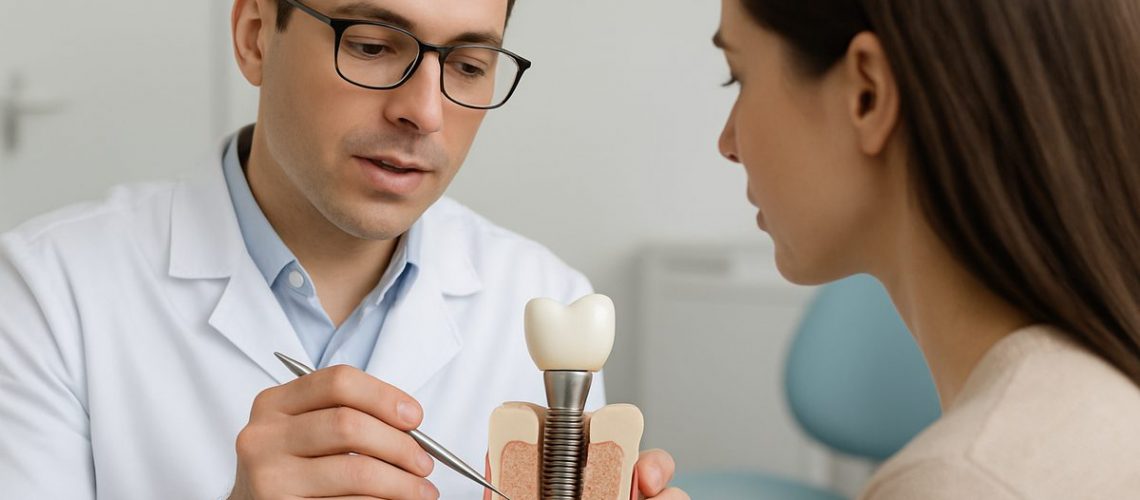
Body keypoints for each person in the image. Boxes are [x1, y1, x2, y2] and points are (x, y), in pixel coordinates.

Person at [0, 0, 687, 498]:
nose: (424, 111)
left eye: (470, 64)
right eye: (372, 45)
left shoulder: (548, 305)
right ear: (254, 37)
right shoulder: (45, 293)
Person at [712, 0, 1140, 498]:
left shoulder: (959, 480)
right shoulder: (1097, 395)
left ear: (867, 93)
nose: (727, 142)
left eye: (737, 78)